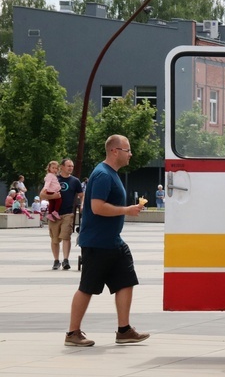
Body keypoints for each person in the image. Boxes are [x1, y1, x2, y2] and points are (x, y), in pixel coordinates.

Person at [64, 134, 149, 347]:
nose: (130, 154)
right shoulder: (102, 174)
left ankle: (124, 330)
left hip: (113, 242)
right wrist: (127, 210)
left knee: (126, 281)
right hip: (98, 242)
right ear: (114, 151)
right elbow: (97, 207)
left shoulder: (111, 173)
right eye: (127, 150)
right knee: (88, 287)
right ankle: (72, 333)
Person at [40, 158, 83, 271]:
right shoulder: (54, 178)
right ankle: (56, 260)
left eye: (72, 166)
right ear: (62, 167)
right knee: (54, 239)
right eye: (68, 166)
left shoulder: (75, 181)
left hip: (68, 213)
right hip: (54, 214)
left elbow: (82, 195)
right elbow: (42, 195)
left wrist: (83, 204)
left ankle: (65, 260)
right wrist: (52, 197)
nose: (71, 168)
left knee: (66, 237)